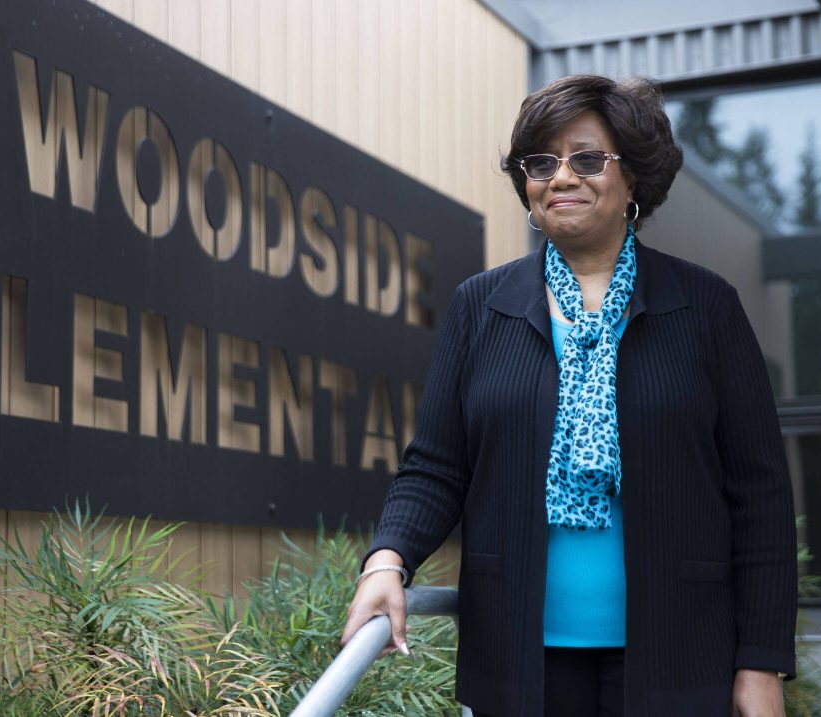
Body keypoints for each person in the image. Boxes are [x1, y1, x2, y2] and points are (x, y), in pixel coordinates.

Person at [340, 75, 797, 717]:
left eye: (586, 159)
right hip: (518, 661)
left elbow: (760, 495)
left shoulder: (706, 306)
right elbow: (436, 468)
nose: (561, 177)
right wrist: (387, 562)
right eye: (541, 163)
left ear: (633, 178)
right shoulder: (480, 306)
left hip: (681, 658)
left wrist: (761, 662)